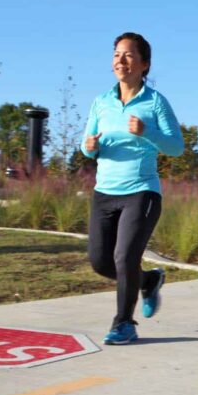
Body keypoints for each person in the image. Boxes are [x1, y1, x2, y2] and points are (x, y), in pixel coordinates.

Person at [81, 32, 184, 345]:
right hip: (104, 192)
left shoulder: (155, 102)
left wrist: (147, 131)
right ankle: (149, 280)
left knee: (125, 257)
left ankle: (124, 323)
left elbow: (177, 146)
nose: (119, 61)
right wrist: (89, 147)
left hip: (141, 192)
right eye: (116, 54)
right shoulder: (101, 102)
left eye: (127, 55)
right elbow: (87, 146)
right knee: (101, 261)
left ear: (144, 64)